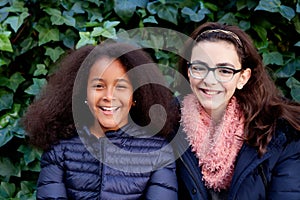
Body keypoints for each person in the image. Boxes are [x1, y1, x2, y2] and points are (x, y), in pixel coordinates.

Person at [21, 42, 179, 200]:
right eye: (98, 86)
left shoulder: (157, 152)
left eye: (121, 87)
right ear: (83, 92)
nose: (109, 96)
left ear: (135, 96)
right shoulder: (60, 150)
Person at [173, 22, 300, 200]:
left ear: (243, 78)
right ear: (188, 71)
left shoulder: (281, 134)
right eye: (199, 68)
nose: (209, 80)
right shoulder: (170, 124)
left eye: (224, 70)